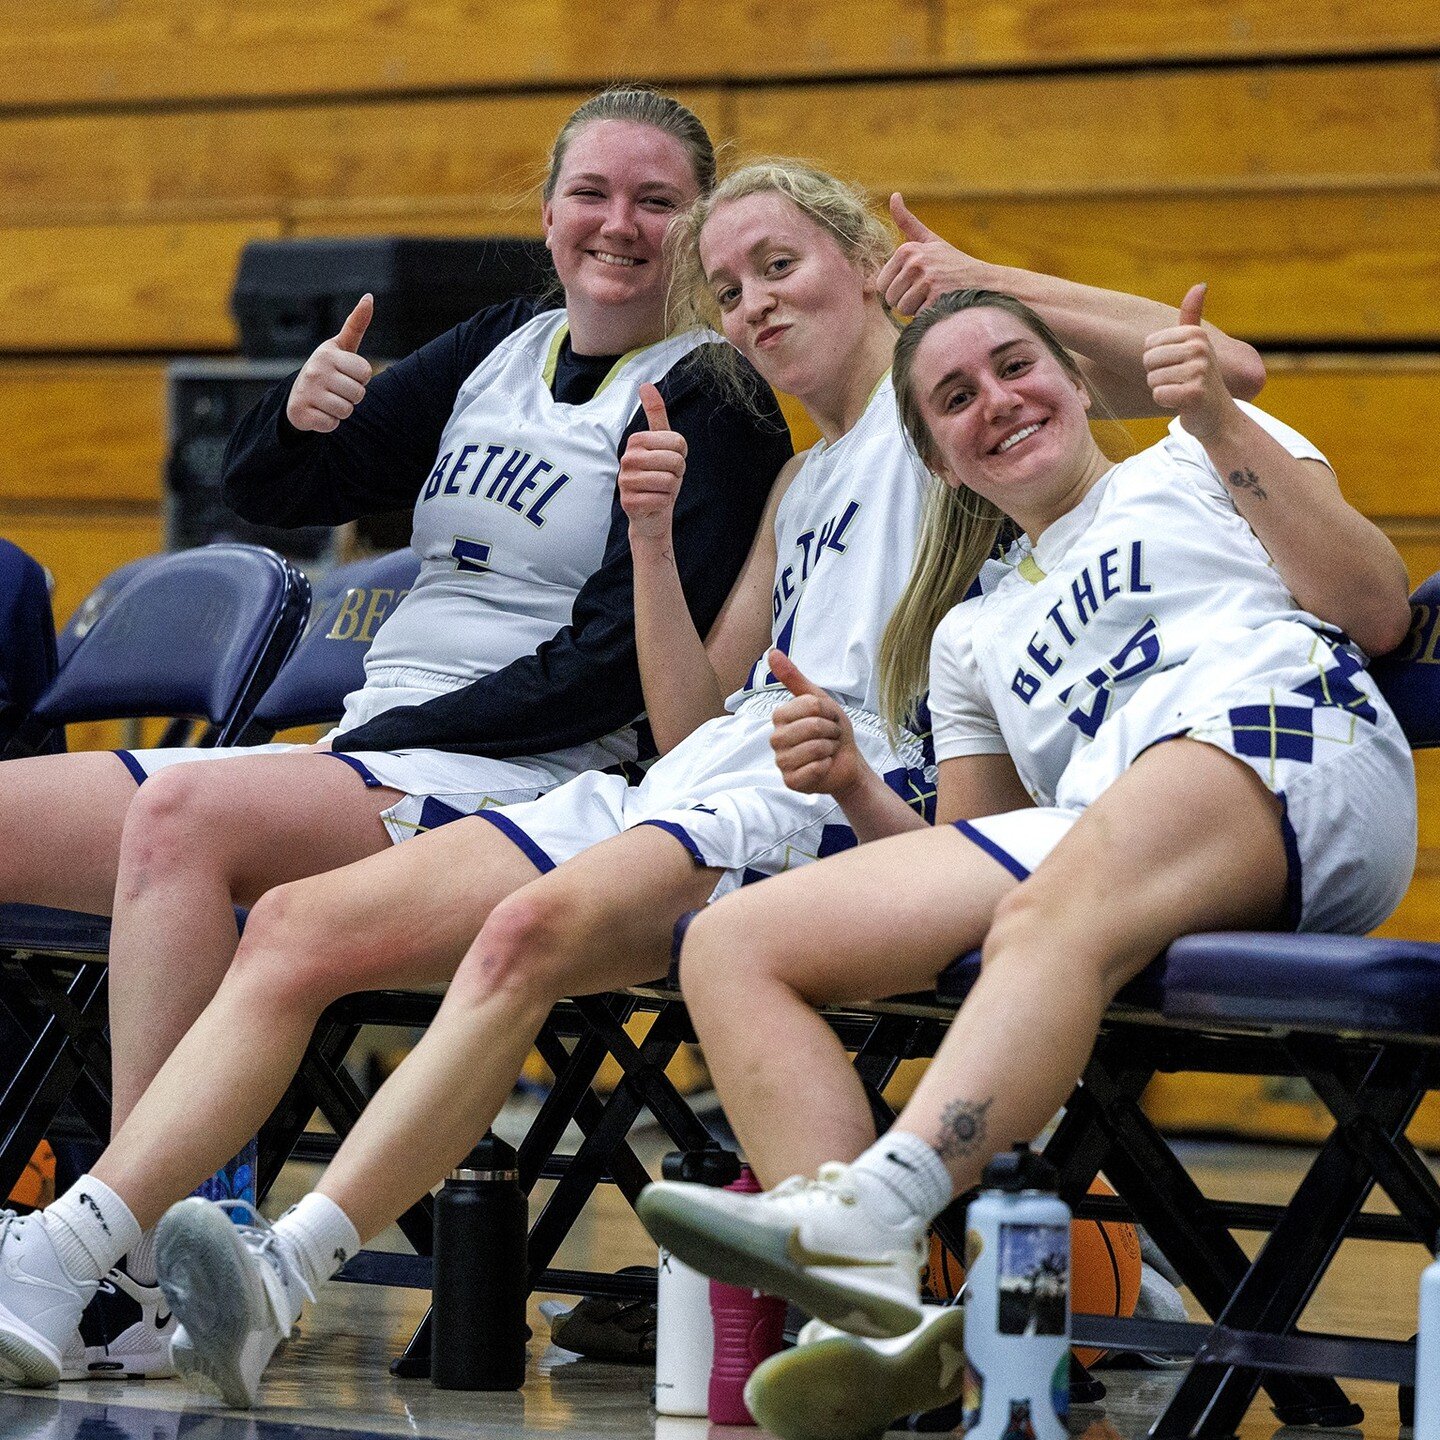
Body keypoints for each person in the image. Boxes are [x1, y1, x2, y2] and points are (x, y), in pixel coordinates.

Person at [0, 161, 1265, 1406]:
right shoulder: (796, 477)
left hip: (827, 797)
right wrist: (652, 547)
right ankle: (83, 1252)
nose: (755, 303)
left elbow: (1220, 367)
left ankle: (278, 1260)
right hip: (698, 773)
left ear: (863, 265)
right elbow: (684, 713)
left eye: (781, 266)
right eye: (727, 287)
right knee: (293, 925)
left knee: (525, 930)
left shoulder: (945, 405)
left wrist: (976, 280)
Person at [0, 85, 793, 1382]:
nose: (619, 222)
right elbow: (271, 492)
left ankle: (112, 1260)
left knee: (186, 815)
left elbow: (614, 678)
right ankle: (117, 1274)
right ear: (549, 211)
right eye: (593, 192)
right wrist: (292, 411)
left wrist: (389, 735)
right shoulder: (499, 342)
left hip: (514, 781)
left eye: (658, 200)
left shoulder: (714, 402)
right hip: (378, 754)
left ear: (700, 226)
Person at [638, 284, 1417, 1440]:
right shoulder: (970, 634)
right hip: (1114, 834)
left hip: (1285, 737)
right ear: (941, 463)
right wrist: (855, 783)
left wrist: (1215, 419)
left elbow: (1377, 606)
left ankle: (881, 1206)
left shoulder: (1193, 458)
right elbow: (961, 865)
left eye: (1015, 366)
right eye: (956, 398)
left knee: (1058, 906)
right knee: (734, 942)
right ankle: (872, 1323)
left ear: (1071, 376)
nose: (996, 402)